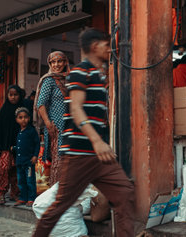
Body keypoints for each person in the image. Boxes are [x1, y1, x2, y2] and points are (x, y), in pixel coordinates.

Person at [32, 28, 134, 237]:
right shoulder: (80, 71)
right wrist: (97, 141)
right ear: (95, 46)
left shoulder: (98, 74)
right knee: (60, 206)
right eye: (106, 45)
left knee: (124, 193)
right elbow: (76, 108)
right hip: (79, 153)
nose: (109, 50)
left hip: (100, 157)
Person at [33, 51, 70, 186]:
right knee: (59, 161)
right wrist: (48, 124)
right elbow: (41, 104)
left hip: (71, 126)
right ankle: (54, 195)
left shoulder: (70, 79)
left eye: (59, 61)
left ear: (65, 62)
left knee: (69, 162)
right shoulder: (49, 80)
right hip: (57, 126)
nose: (56, 65)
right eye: (53, 62)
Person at [0, 85, 24, 205]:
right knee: (4, 169)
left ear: (20, 95)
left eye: (16, 95)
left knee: (16, 170)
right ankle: (2, 194)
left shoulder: (23, 109)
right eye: (11, 95)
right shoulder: (4, 110)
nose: (13, 97)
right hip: (6, 146)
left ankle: (15, 193)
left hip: (20, 146)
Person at [12, 107, 39, 207]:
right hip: (19, 162)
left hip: (28, 162)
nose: (23, 119)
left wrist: (35, 156)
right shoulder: (18, 132)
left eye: (25, 117)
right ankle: (23, 198)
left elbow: (37, 144)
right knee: (21, 181)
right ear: (16, 120)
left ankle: (31, 198)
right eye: (20, 117)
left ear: (29, 118)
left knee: (30, 181)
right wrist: (14, 148)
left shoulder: (31, 131)